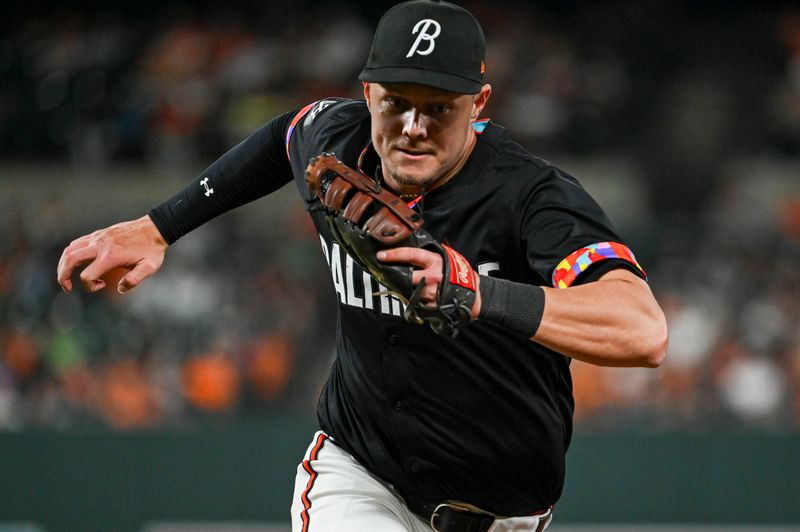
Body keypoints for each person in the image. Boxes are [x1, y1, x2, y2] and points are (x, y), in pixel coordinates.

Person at [57, 1, 668, 530]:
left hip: (503, 512)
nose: (412, 128)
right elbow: (280, 138)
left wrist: (479, 292)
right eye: (396, 102)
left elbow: (642, 330)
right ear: (367, 91)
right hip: (361, 473)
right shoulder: (338, 141)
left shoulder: (532, 196)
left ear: (479, 102)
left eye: (439, 108)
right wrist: (161, 226)